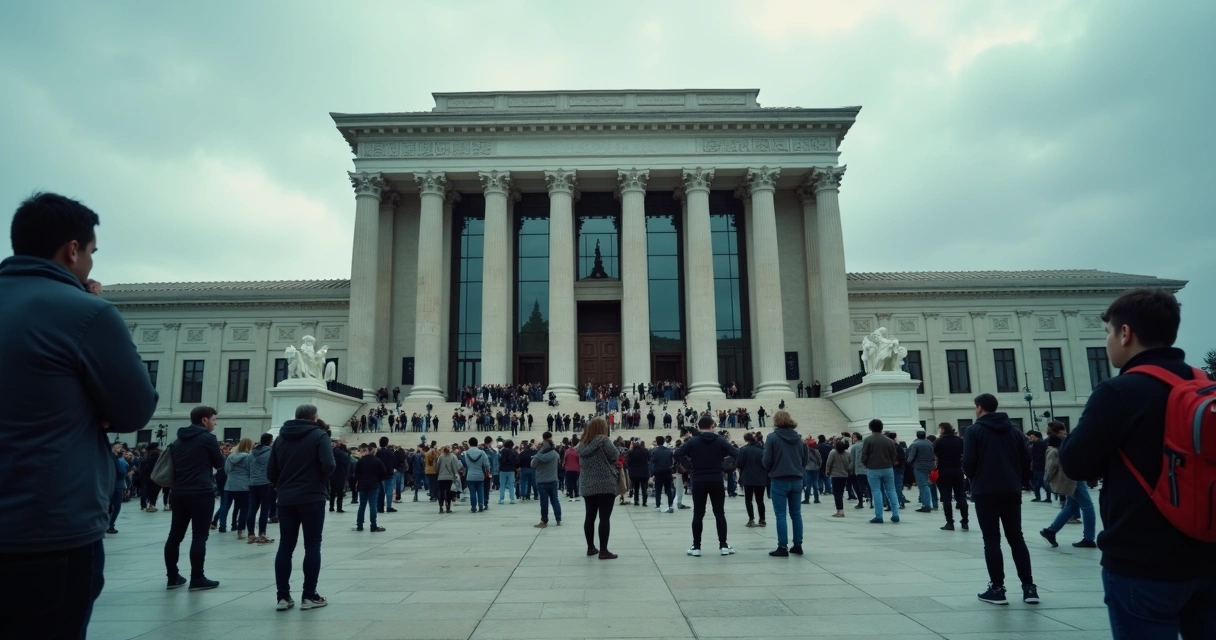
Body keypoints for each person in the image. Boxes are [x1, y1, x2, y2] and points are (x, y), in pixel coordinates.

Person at [0, 192, 158, 638]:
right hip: (47, 528)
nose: (90, 263)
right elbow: (135, 409)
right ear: (73, 249)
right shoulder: (85, 313)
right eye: (91, 252)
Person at [1059, 288, 1215, 638]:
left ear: (1125, 333)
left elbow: (1076, 465)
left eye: (1108, 333)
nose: (1107, 342)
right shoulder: (1205, 385)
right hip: (1208, 554)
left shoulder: (1119, 391)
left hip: (1144, 561)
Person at [963, 393, 1038, 606]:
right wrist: (1018, 480)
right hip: (1011, 489)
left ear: (979, 407)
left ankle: (997, 589)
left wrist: (975, 479)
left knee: (991, 538)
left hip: (985, 490)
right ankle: (1029, 587)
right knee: (1016, 537)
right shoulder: (1014, 431)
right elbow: (1026, 460)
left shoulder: (973, 431)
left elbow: (968, 461)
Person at [267, 404, 336, 611]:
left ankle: (282, 596)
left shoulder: (280, 438)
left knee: (285, 546)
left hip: (286, 498)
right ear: (313, 417)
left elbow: (270, 472)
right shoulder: (319, 435)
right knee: (312, 545)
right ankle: (309, 595)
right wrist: (319, 481)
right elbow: (329, 464)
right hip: (312, 497)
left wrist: (282, 486)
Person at [164, 406, 225, 591]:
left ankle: (172, 577)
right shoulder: (207, 438)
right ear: (204, 420)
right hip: (201, 492)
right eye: (214, 419)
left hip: (178, 492)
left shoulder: (177, 440)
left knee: (175, 535)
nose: (215, 423)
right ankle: (197, 578)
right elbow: (219, 463)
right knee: (199, 535)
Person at [675, 415, 739, 557]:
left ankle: (696, 546)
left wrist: (690, 467)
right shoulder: (719, 440)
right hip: (716, 479)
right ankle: (723, 545)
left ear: (698, 427)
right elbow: (736, 453)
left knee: (698, 513)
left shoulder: (693, 441)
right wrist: (724, 466)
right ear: (712, 426)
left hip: (698, 479)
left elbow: (678, 453)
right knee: (719, 513)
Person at [1039, 422, 1095, 549]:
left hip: (1068, 477)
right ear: (1061, 431)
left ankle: (1051, 531)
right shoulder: (1066, 441)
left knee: (1072, 505)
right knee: (1087, 506)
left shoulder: (1051, 442)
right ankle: (1089, 538)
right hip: (1074, 476)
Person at [762, 410, 809, 556]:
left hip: (779, 478)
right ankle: (798, 544)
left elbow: (766, 460)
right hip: (797, 479)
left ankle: (782, 546)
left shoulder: (772, 437)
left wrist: (772, 468)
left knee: (781, 515)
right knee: (796, 514)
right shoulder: (799, 439)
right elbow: (805, 460)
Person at [577, 417, 620, 559]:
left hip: (587, 484)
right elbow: (615, 455)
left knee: (589, 516)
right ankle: (603, 551)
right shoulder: (604, 440)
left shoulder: (582, 444)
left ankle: (590, 548)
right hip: (605, 484)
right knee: (604, 517)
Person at [860, 420, 900, 524]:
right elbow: (894, 456)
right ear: (882, 427)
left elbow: (864, 455)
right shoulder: (889, 441)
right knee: (891, 490)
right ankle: (895, 514)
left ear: (870, 428)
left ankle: (879, 516)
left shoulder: (868, 440)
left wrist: (867, 464)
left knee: (876, 491)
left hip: (873, 468)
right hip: (888, 468)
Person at [933, 423, 968, 531]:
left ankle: (949, 522)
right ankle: (965, 520)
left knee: (946, 498)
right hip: (957, 470)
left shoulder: (939, 441)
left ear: (943, 429)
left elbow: (934, 454)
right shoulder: (959, 440)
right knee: (961, 496)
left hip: (944, 471)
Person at [246, 433, 275, 544]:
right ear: (270, 441)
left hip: (253, 483)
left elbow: (248, 468)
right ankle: (262, 534)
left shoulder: (252, 453)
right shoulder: (270, 453)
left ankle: (251, 534)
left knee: (252, 508)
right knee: (264, 509)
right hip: (265, 482)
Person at [735, 432, 767, 527]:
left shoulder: (744, 450)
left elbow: (739, 464)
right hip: (761, 477)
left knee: (748, 499)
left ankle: (751, 519)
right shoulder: (762, 450)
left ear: (746, 440)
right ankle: (762, 519)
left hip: (748, 477)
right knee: (760, 499)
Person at [531, 432, 562, 527]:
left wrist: (538, 453)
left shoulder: (539, 455)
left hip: (542, 481)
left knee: (544, 502)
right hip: (553, 480)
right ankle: (558, 519)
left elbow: (532, 465)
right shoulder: (556, 454)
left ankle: (544, 521)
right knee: (555, 500)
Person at [355, 444, 387, 530]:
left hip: (363, 485)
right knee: (373, 505)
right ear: (374, 451)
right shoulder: (377, 461)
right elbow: (383, 472)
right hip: (374, 484)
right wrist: (378, 479)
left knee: (362, 505)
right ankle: (373, 525)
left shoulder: (361, 461)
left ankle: (359, 524)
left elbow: (356, 474)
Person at [906, 430, 937, 513]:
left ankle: (926, 505)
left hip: (919, 466)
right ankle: (929, 503)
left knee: (923, 486)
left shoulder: (916, 444)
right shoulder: (929, 443)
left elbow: (911, 456)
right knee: (928, 484)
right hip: (929, 465)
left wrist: (908, 462)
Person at [824, 439, 852, 517]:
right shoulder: (847, 454)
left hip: (835, 475)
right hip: (844, 475)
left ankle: (840, 510)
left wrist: (827, 472)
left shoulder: (833, 453)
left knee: (836, 493)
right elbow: (850, 463)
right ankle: (840, 509)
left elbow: (829, 463)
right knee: (841, 492)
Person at [107, 443, 130, 534]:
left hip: (109, 485)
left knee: (109, 506)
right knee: (116, 507)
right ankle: (110, 525)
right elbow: (121, 472)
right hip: (117, 485)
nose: (120, 449)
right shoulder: (119, 460)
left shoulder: (110, 458)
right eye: (117, 448)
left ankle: (108, 524)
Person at [649, 436, 676, 513]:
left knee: (658, 489)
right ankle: (670, 505)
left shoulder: (654, 451)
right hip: (667, 471)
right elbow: (672, 462)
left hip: (658, 472)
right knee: (668, 489)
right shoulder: (669, 451)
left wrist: (652, 473)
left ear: (657, 442)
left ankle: (658, 505)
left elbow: (652, 462)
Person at [463, 437, 490, 513]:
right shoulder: (482, 453)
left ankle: (473, 507)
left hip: (470, 475)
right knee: (480, 491)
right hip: (480, 475)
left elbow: (465, 464)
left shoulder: (466, 453)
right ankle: (481, 505)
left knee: (472, 492)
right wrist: (488, 470)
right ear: (477, 443)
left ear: (469, 444)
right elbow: (486, 464)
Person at [435, 446, 461, 513]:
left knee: (441, 492)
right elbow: (455, 467)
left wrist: (438, 472)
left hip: (441, 477)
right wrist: (456, 475)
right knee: (448, 492)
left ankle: (441, 507)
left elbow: (437, 466)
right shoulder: (453, 456)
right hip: (450, 477)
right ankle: (448, 507)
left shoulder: (441, 456)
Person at [329, 440, 351, 513]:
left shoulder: (330, 452)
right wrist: (346, 474)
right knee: (340, 491)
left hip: (332, 473)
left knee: (332, 490)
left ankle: (331, 506)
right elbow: (346, 464)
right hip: (341, 473)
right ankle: (339, 507)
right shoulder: (342, 453)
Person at [626, 440, 650, 506]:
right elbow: (649, 459)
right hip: (644, 472)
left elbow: (628, 462)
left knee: (636, 487)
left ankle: (636, 500)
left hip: (634, 472)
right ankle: (644, 501)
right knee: (644, 487)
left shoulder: (630, 452)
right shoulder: (645, 450)